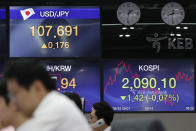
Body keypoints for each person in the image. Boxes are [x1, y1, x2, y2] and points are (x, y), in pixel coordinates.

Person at [4, 60, 92, 131]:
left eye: (15, 94)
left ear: (37, 88)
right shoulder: (53, 103)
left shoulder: (55, 108)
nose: (13, 103)